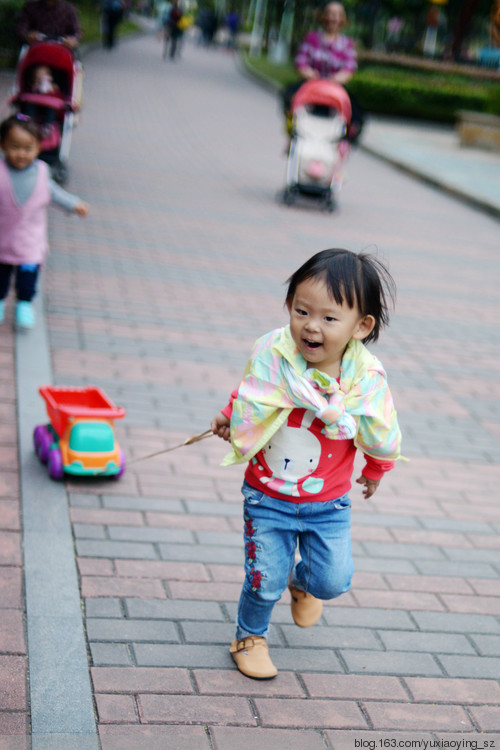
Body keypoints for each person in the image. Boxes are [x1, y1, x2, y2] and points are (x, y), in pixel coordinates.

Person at [211, 249, 402, 680]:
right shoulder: (274, 355)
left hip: (328, 504)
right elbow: (252, 393)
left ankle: (304, 583)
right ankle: (249, 636)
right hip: (267, 496)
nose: (311, 326)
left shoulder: (364, 381)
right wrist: (230, 418)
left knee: (332, 580)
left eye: (329, 318)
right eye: (301, 311)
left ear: (362, 325)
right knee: (264, 577)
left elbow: (379, 426)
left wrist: (375, 468)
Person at [0, 114, 88, 329]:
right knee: (0, 279)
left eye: (28, 147)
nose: (21, 153)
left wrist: (73, 204)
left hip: (30, 244)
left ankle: (24, 306)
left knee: (27, 281)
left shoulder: (41, 173)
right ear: (2, 145)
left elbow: (54, 193)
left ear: (38, 148)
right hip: (2, 243)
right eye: (14, 147)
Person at [284, 2, 363, 143]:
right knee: (288, 97)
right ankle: (292, 134)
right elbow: (301, 62)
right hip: (311, 85)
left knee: (357, 114)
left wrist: (335, 79)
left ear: (342, 19)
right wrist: (311, 74)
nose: (333, 18)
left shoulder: (347, 44)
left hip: (335, 88)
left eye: (338, 15)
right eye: (330, 14)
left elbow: (349, 69)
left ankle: (344, 143)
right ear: (323, 16)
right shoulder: (312, 38)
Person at [16, 0, 81, 50]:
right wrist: (28, 35)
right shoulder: (31, 7)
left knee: (77, 66)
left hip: (61, 51)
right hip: (36, 50)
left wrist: (73, 39)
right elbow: (21, 27)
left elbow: (77, 31)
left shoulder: (69, 9)